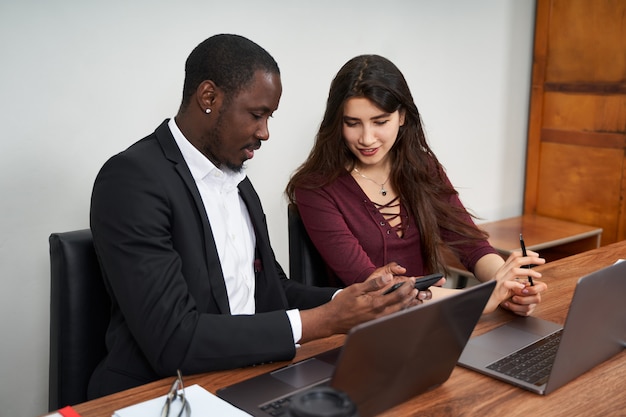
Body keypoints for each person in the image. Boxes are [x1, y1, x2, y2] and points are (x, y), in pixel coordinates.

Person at [88, 36, 422, 399]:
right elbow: (173, 340)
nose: (265, 132)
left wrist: (355, 299)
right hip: (161, 394)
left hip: (246, 379)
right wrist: (325, 320)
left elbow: (274, 291)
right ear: (209, 98)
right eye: (257, 114)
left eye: (269, 117)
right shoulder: (132, 179)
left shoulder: (237, 180)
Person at [286, 54, 547, 316]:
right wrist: (478, 298)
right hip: (361, 334)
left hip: (429, 321)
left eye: (380, 122)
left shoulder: (422, 168)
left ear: (402, 117)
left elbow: (471, 245)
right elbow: (372, 287)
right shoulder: (315, 188)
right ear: (337, 123)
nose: (366, 138)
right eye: (352, 123)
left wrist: (508, 286)